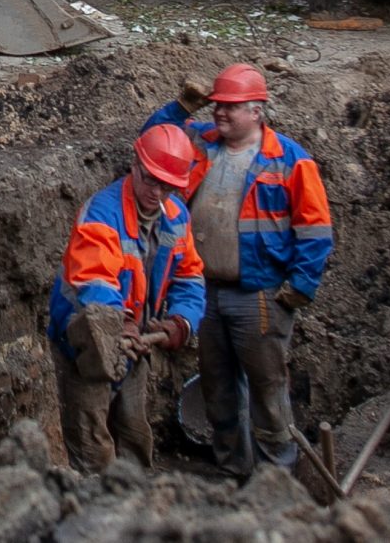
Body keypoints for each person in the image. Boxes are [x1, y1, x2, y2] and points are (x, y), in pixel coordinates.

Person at [142, 62, 332, 477]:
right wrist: (178, 109)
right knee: (218, 386)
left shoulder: (289, 161)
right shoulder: (202, 144)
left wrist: (300, 286)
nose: (221, 114)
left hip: (259, 294)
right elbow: (151, 143)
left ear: (257, 111)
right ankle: (234, 469)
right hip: (204, 289)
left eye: (232, 107)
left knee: (266, 387)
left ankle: (275, 476)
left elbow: (316, 231)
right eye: (217, 106)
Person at [46, 124, 206, 473]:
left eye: (166, 185)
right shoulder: (102, 214)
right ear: (135, 164)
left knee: (134, 434)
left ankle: (136, 509)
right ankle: (94, 510)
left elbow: (190, 276)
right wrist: (122, 324)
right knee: (93, 446)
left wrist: (182, 320)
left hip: (132, 344)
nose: (156, 191)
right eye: (150, 179)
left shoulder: (176, 217)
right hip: (86, 341)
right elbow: (96, 281)